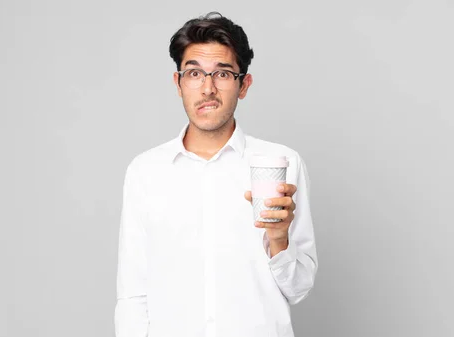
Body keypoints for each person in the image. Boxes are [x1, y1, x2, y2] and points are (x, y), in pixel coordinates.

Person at [115, 12, 318, 337]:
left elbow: (299, 288)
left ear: (244, 85)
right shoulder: (145, 172)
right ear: (178, 83)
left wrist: (279, 241)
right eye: (194, 72)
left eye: (222, 73)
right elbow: (132, 293)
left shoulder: (283, 164)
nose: (208, 87)